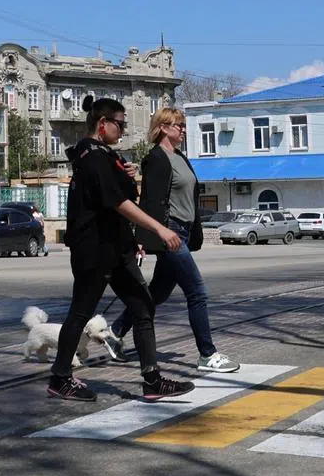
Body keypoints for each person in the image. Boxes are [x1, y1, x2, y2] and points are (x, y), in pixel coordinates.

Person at [47, 96, 197, 403]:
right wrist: (159, 228)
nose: (123, 129)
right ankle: (60, 377)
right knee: (81, 311)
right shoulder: (93, 158)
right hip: (95, 248)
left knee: (143, 305)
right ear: (103, 124)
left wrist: (128, 178)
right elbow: (118, 203)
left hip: (115, 248)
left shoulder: (105, 156)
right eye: (120, 123)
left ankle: (152, 380)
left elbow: (125, 195)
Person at [102, 105, 240, 374]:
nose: (183, 130)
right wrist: (145, 237)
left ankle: (115, 331)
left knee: (159, 292)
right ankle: (207, 354)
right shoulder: (156, 158)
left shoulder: (180, 157)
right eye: (179, 125)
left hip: (184, 232)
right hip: (170, 233)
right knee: (197, 292)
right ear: (163, 127)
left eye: (184, 126)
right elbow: (150, 200)